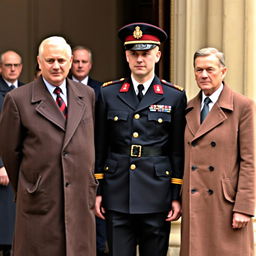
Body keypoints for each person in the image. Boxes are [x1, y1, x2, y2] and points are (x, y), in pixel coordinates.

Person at [94, 22, 187, 256]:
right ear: (126, 56)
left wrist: (176, 196)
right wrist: (98, 191)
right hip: (117, 191)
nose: (140, 59)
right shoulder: (108, 93)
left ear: (158, 55)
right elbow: (99, 145)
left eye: (145, 53)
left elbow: (177, 150)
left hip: (157, 193)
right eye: (134, 54)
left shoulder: (174, 96)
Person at [0, 36, 98, 256]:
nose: (56, 66)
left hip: (80, 198)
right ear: (39, 62)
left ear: (71, 61)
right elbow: (10, 153)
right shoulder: (18, 99)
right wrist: (32, 184)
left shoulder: (87, 95)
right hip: (41, 198)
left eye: (61, 60)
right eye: (50, 60)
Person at [180, 47, 255, 256]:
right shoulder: (188, 108)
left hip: (226, 205)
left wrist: (244, 208)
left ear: (223, 72)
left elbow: (250, 161)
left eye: (210, 69)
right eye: (198, 70)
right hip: (194, 201)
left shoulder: (243, 106)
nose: (204, 75)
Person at [70, 46, 107, 255]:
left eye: (84, 62)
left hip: (94, 159)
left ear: (90, 65)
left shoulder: (101, 91)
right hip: (68, 159)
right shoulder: (61, 90)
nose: (80, 65)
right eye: (76, 61)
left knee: (96, 210)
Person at [0, 50, 23, 256]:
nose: (13, 69)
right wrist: (1, 164)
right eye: (8, 65)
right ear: (1, 68)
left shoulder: (26, 91)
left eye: (16, 65)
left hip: (21, 168)